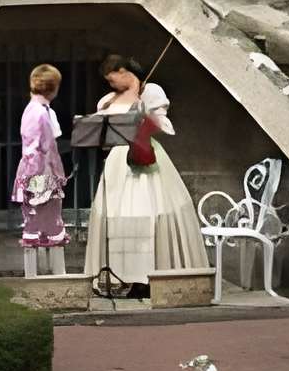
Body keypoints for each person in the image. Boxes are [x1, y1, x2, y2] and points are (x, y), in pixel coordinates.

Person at [83, 52, 202, 294]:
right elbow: (104, 137)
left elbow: (163, 126)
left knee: (147, 213)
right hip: (118, 160)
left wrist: (139, 100)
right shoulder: (107, 100)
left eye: (112, 79)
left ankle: (147, 277)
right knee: (118, 218)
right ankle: (120, 276)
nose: (111, 85)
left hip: (144, 155)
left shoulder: (152, 92)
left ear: (124, 73)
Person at [12, 62, 69, 276]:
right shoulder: (41, 113)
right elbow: (41, 150)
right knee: (45, 223)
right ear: (54, 88)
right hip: (40, 173)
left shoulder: (36, 109)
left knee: (39, 223)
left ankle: (43, 275)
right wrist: (46, 180)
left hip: (35, 172)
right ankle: (46, 277)